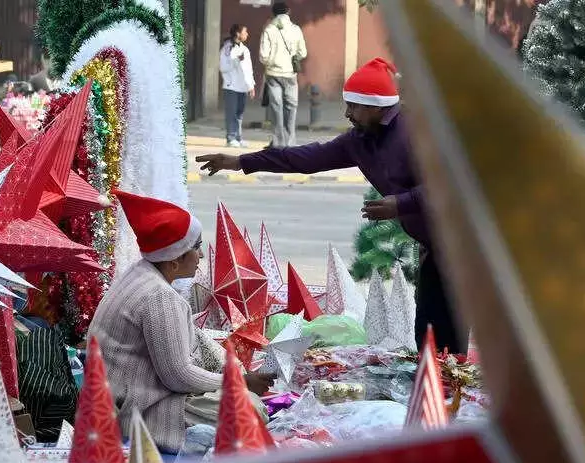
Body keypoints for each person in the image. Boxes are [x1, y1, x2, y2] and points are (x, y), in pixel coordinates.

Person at [197, 57, 466, 353]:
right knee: (427, 327)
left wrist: (401, 203)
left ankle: (453, 388)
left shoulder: (416, 133)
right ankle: (436, 385)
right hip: (434, 245)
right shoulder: (359, 140)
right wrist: (241, 161)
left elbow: (452, 186)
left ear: (377, 107)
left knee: (450, 328)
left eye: (354, 105)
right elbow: (307, 158)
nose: (347, 112)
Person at [88, 192, 274, 454]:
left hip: (121, 400)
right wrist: (239, 381)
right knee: (251, 411)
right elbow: (179, 377)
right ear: (174, 260)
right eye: (195, 247)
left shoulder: (139, 274)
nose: (200, 255)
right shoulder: (159, 298)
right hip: (137, 412)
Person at [260, 2, 307, 148]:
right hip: (290, 74)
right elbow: (303, 53)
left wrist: (272, 61)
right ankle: (290, 141)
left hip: (273, 74)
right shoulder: (296, 29)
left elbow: (263, 56)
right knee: (291, 108)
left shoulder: (269, 29)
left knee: (276, 108)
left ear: (273, 13)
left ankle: (278, 141)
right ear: (288, 12)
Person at [220, 24, 255, 148]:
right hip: (231, 86)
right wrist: (236, 61)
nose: (247, 34)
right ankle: (231, 138)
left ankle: (238, 137)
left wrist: (251, 85)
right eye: (245, 32)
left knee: (239, 114)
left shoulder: (245, 49)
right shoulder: (227, 49)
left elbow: (249, 69)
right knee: (232, 113)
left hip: (242, 87)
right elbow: (223, 67)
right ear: (237, 33)